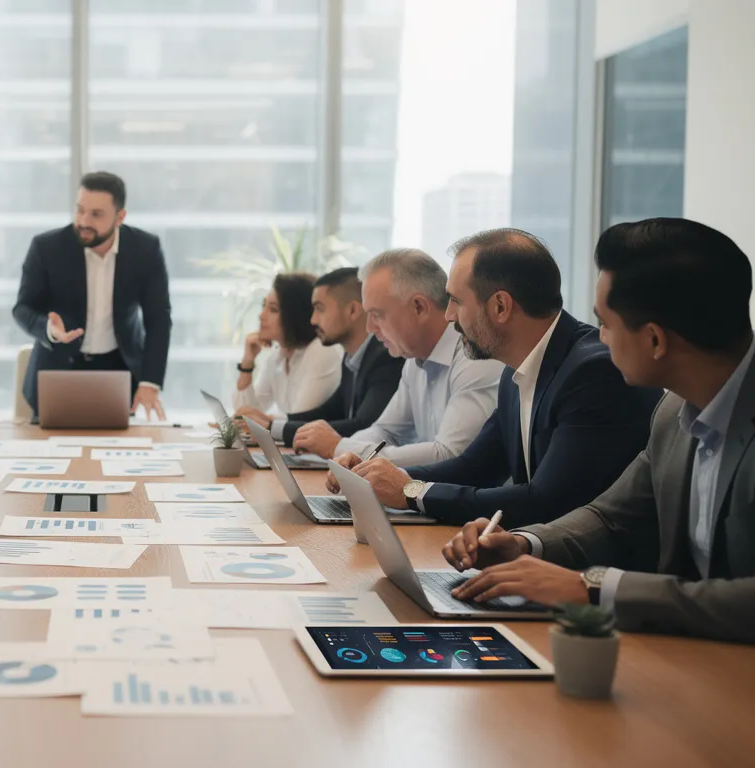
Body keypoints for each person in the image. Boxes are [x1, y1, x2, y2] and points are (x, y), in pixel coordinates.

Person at [444, 218, 755, 644]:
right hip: (690, 656)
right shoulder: (674, 411)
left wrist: (592, 587)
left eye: (606, 323)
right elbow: (611, 517)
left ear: (655, 341)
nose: (601, 339)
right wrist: (525, 544)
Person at [334, 229, 660, 527]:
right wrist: (378, 476)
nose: (448, 316)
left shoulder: (592, 373)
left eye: (456, 302)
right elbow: (474, 467)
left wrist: (410, 491)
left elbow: (545, 502)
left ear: (500, 306)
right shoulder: (515, 371)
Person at [300, 248, 502, 465]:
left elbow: (449, 455)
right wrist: (346, 457)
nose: (370, 327)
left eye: (377, 315)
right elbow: (387, 432)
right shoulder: (414, 359)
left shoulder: (475, 356)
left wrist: (340, 447)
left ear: (419, 307)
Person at [12, 171, 173, 421]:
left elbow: (158, 318)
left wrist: (150, 382)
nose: (84, 221)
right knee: (50, 453)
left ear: (120, 217)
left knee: (116, 453)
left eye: (96, 214)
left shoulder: (145, 250)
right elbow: (22, 309)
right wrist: (49, 329)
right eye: (80, 210)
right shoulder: (47, 248)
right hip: (57, 368)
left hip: (119, 368)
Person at [272, 266, 403, 447]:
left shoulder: (386, 358)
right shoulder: (352, 357)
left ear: (352, 311)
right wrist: (274, 425)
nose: (313, 320)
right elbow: (331, 411)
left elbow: (364, 425)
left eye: (320, 309)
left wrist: (278, 429)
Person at [229, 272, 342, 429]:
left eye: (273, 310)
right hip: (293, 447)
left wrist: (260, 420)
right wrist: (247, 363)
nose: (261, 315)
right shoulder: (277, 357)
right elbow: (245, 413)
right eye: (263, 306)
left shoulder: (322, 351)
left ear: (296, 315)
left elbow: (301, 418)